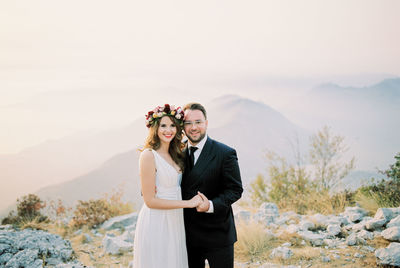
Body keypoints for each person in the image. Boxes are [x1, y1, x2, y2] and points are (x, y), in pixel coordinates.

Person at [133, 104, 203, 268]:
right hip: (157, 219)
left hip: (175, 219)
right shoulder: (149, 155)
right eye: (163, 125)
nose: (168, 130)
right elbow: (150, 201)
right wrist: (188, 203)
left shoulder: (177, 154)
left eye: (172, 125)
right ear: (155, 128)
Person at [181, 102, 243, 268]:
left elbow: (235, 190)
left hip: (218, 235)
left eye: (198, 122)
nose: (193, 127)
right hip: (186, 235)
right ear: (182, 126)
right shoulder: (176, 152)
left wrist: (210, 205)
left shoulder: (225, 153)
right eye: (188, 123)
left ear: (206, 123)